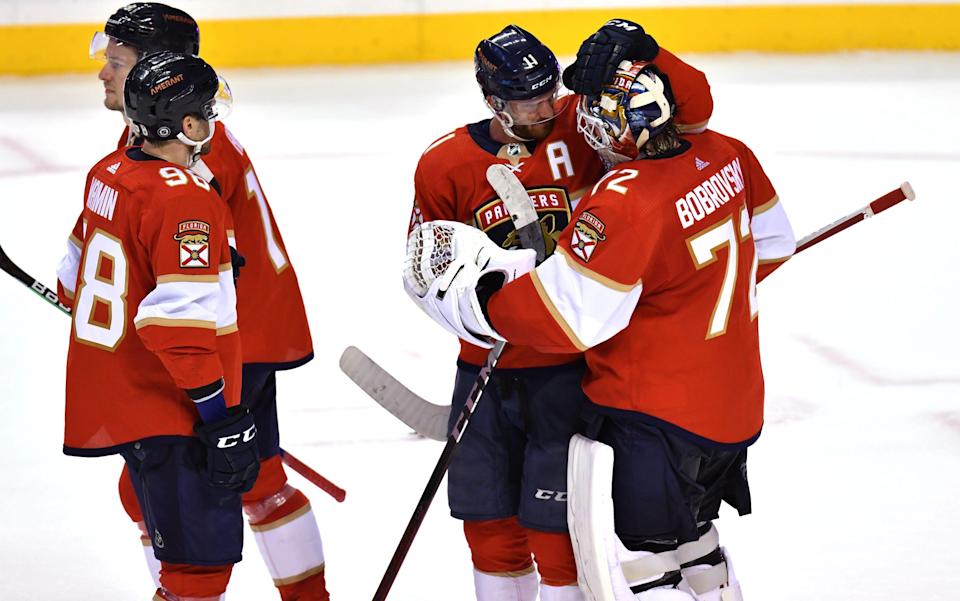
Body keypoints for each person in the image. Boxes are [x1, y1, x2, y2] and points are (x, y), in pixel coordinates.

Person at [405, 60, 796, 600]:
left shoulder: (625, 200)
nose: (579, 120)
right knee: (694, 542)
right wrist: (684, 289)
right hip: (730, 400)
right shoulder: (725, 154)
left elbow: (567, 316)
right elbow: (773, 245)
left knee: (648, 561)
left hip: (651, 409)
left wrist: (487, 304)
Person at [90, 4, 327, 599]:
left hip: (227, 339)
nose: (103, 74)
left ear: (156, 70)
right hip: (224, 331)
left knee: (229, 488)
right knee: (248, 483)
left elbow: (190, 278)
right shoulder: (166, 132)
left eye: (116, 63)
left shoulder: (195, 157)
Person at [56, 51, 257, 601]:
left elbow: (72, 273)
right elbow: (177, 328)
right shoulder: (187, 198)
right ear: (187, 125)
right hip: (173, 407)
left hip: (124, 399)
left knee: (184, 569)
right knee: (200, 573)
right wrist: (219, 418)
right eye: (208, 111)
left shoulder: (110, 171)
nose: (215, 120)